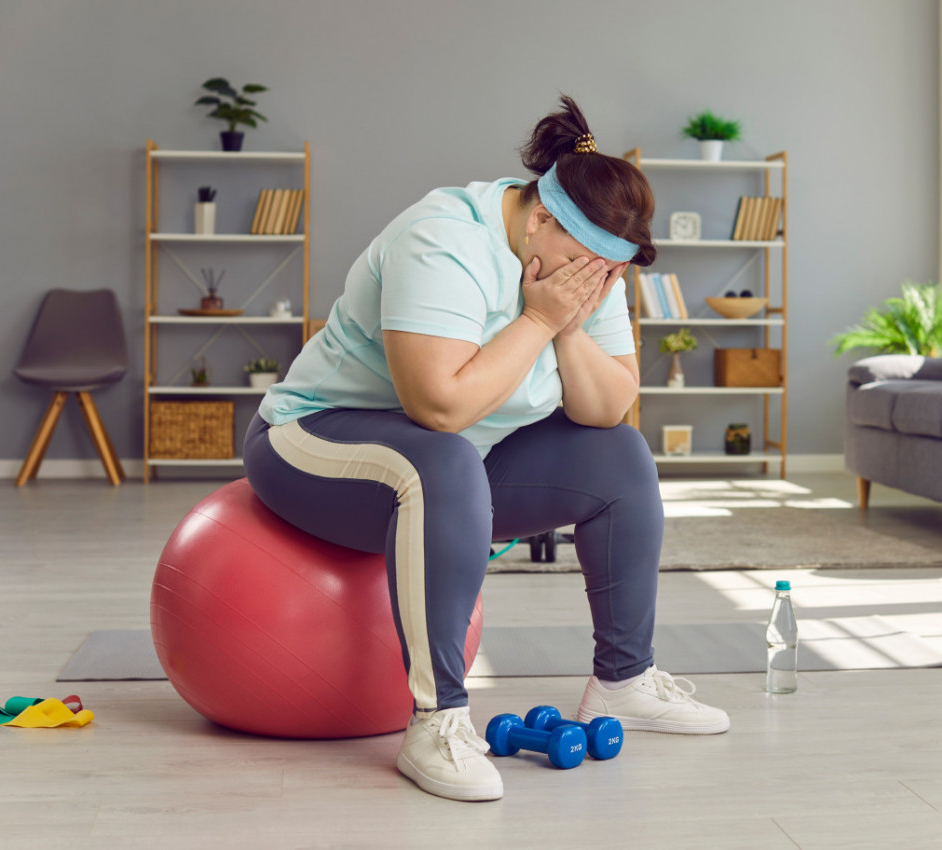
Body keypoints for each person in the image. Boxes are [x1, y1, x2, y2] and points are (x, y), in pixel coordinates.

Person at [242, 95, 729, 803]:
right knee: (441, 457)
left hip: (458, 464)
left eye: (609, 271)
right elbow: (437, 406)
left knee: (619, 457)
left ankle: (623, 683)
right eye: (586, 263)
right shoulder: (443, 237)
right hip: (314, 443)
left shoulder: (587, 265)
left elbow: (606, 405)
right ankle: (436, 722)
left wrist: (567, 327)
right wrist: (539, 316)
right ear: (539, 219)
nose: (596, 280)